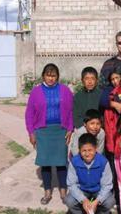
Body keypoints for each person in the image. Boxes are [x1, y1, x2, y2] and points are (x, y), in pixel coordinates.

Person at [25, 63, 73, 204]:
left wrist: (70, 129)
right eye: (48, 75)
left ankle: (63, 193)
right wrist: (31, 133)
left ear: (57, 76)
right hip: (43, 132)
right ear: (43, 76)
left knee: (61, 163)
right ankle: (47, 192)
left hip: (60, 131)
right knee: (45, 163)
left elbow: (70, 111)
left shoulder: (65, 90)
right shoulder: (36, 92)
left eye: (53, 75)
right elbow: (29, 114)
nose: (51, 78)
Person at [64, 133, 115, 214]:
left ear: (95, 149)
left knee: (110, 201)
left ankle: (99, 211)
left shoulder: (103, 162)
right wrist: (83, 200)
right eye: (84, 150)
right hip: (82, 190)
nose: (87, 154)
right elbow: (71, 184)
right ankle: (81, 211)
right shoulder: (74, 162)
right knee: (69, 201)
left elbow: (107, 185)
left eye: (90, 150)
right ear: (79, 150)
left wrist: (97, 201)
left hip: (98, 190)